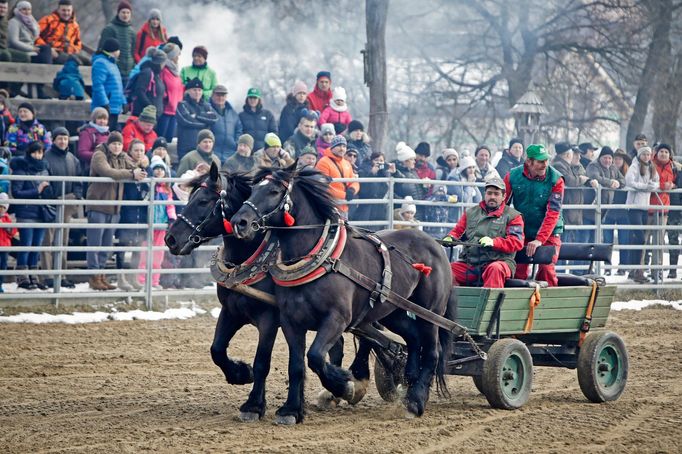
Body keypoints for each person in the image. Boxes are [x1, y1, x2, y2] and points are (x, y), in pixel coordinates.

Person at [86, 131, 146, 290]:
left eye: (119, 144)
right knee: (95, 244)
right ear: (108, 143)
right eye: (114, 144)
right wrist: (132, 173)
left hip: (114, 207)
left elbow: (137, 167)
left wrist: (143, 162)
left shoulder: (122, 157)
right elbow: (108, 172)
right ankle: (94, 276)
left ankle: (102, 275)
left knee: (106, 244)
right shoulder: (99, 155)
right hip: (98, 204)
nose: (117, 147)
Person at [442, 177, 524, 288]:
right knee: (444, 270)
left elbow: (516, 242)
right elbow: (457, 231)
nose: (492, 197)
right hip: (470, 264)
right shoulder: (471, 212)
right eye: (489, 193)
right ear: (484, 194)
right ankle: (450, 304)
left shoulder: (513, 216)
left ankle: (491, 305)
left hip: (500, 262)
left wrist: (494, 242)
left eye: (496, 194)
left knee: (495, 269)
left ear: (504, 196)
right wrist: (450, 237)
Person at [504, 144, 565, 287]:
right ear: (529, 162)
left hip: (549, 233)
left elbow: (553, 213)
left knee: (546, 268)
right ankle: (518, 304)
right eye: (540, 161)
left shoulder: (556, 179)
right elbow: (503, 205)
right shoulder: (512, 176)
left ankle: (550, 304)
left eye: (546, 160)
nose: (545, 165)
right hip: (523, 230)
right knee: (517, 269)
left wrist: (539, 239)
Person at [10, 141, 54, 290]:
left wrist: (47, 190)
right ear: (29, 153)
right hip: (26, 211)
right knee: (26, 245)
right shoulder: (20, 169)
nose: (38, 155)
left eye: (40, 152)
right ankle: (22, 276)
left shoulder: (45, 168)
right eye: (35, 152)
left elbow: (50, 189)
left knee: (36, 246)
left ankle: (34, 275)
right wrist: (38, 191)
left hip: (41, 211)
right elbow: (16, 193)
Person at [41, 127, 81, 288]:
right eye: (59, 138)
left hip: (67, 204)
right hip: (50, 204)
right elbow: (43, 177)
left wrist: (77, 195)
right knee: (48, 241)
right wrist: (49, 195)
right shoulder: (46, 157)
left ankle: (61, 273)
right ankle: (47, 274)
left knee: (63, 241)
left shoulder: (73, 158)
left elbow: (79, 180)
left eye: (65, 138)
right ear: (54, 140)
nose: (63, 141)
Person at [136, 155, 175, 289]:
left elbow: (170, 206)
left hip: (161, 226)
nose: (159, 171)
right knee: (145, 254)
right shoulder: (149, 187)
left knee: (158, 255)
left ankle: (154, 281)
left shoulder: (166, 189)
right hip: (149, 226)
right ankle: (141, 280)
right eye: (156, 169)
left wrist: (172, 219)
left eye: (161, 169)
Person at [116, 138, 148, 292]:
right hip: (126, 211)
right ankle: (120, 277)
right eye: (136, 150)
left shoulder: (145, 169)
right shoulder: (125, 166)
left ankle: (133, 277)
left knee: (137, 246)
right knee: (123, 245)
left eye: (142, 150)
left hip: (140, 213)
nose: (139, 153)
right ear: (130, 151)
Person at [624, 146, 659, 283]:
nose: (646, 156)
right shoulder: (634, 166)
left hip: (645, 206)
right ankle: (636, 269)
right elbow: (629, 181)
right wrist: (645, 187)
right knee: (640, 238)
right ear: (640, 155)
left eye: (648, 154)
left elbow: (657, 181)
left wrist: (652, 186)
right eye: (644, 154)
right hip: (634, 206)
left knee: (638, 239)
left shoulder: (651, 167)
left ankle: (635, 270)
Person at [551, 142, 596, 246]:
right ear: (568, 154)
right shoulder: (559, 165)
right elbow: (568, 180)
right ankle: (561, 262)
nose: (578, 158)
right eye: (574, 154)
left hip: (571, 210)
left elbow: (578, 177)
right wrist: (581, 179)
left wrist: (586, 181)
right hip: (565, 209)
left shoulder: (568, 165)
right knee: (563, 244)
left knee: (568, 243)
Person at [586, 146, 625, 253]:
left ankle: (592, 266)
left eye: (609, 158)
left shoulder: (613, 168)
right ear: (600, 157)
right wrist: (610, 182)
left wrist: (618, 183)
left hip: (604, 209)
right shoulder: (593, 165)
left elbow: (622, 180)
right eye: (605, 158)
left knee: (596, 239)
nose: (607, 160)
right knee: (587, 240)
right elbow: (595, 177)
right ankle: (581, 269)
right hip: (591, 208)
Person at [647, 144, 676, 281]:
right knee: (644, 241)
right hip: (649, 207)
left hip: (664, 208)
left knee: (659, 242)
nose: (663, 154)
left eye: (666, 151)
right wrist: (662, 186)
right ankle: (638, 270)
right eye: (661, 151)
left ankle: (657, 271)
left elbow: (675, 182)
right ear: (656, 153)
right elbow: (646, 183)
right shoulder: (650, 165)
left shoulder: (674, 167)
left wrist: (673, 186)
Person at [315, 135, 359, 219]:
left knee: (344, 230)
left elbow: (354, 181)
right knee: (331, 230)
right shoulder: (323, 162)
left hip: (344, 206)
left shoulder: (347, 163)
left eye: (344, 146)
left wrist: (352, 190)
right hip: (330, 206)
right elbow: (324, 187)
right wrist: (345, 195)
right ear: (332, 147)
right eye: (339, 145)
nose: (342, 148)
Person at [175, 78, 218, 162]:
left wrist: (197, 116)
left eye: (199, 90)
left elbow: (214, 118)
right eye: (194, 90)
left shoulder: (207, 106)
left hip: (204, 149)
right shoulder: (182, 105)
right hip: (186, 148)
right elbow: (187, 121)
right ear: (188, 91)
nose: (197, 92)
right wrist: (206, 123)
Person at [36, 0, 88, 65]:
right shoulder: (48, 20)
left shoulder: (75, 25)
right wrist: (48, 50)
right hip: (53, 52)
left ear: (72, 11)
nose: (66, 13)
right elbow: (35, 35)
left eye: (68, 10)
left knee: (89, 62)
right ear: (58, 10)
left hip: (69, 53)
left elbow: (78, 43)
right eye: (63, 10)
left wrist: (73, 49)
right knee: (77, 63)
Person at [91, 38, 125, 130]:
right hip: (105, 107)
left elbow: (118, 86)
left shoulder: (113, 64)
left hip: (114, 107)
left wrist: (123, 101)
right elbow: (98, 85)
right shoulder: (100, 63)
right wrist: (105, 103)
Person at [98, 1, 135, 85]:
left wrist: (132, 66)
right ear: (118, 13)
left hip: (128, 71)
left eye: (128, 13)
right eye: (123, 12)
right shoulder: (110, 29)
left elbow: (133, 51)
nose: (125, 15)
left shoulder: (132, 31)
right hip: (114, 69)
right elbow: (102, 50)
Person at [353, 151, 396, 224]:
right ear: (371, 161)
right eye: (376, 160)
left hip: (379, 208)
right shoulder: (363, 170)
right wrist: (371, 174)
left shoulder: (384, 173)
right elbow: (364, 191)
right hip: (365, 208)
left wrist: (394, 173)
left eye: (381, 161)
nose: (378, 163)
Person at [8, 1, 52, 65]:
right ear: (18, 10)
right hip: (20, 50)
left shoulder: (31, 22)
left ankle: (47, 69)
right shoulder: (14, 22)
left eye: (29, 9)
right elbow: (14, 41)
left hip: (31, 48)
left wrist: (34, 26)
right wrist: (32, 49)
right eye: (24, 9)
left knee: (46, 48)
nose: (27, 12)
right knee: (44, 53)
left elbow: (35, 36)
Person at [610, 148, 632, 274]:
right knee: (608, 240)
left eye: (620, 158)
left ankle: (623, 266)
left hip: (623, 210)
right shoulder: (609, 172)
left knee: (624, 239)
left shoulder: (628, 173)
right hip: (610, 210)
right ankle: (607, 266)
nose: (617, 160)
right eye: (616, 158)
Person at [156, 42, 182, 141]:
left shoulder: (176, 70)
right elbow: (160, 86)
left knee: (169, 139)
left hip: (174, 110)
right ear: (171, 56)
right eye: (177, 55)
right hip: (165, 110)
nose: (178, 57)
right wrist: (167, 98)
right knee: (161, 139)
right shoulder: (164, 70)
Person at [210, 84, 242, 163]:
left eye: (223, 95)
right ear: (212, 95)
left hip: (230, 155)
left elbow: (239, 129)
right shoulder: (207, 110)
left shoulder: (233, 113)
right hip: (212, 154)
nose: (220, 98)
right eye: (218, 95)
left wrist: (236, 143)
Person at [130, 48, 166, 118]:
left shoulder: (157, 74)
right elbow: (140, 91)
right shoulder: (147, 72)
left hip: (152, 115)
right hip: (144, 114)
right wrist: (150, 107)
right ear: (161, 62)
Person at [239, 87, 277, 152]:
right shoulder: (241, 116)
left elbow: (273, 133)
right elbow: (239, 133)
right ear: (247, 99)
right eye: (250, 98)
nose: (252, 100)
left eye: (255, 98)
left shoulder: (268, 114)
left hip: (263, 151)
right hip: (247, 151)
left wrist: (267, 147)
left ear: (259, 99)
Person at [77, 107, 109, 176]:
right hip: (91, 169)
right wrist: (100, 156)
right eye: (99, 118)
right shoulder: (87, 133)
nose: (102, 121)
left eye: (104, 119)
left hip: (106, 167)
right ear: (94, 119)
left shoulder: (108, 134)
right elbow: (82, 152)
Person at [0, 192, 18, 293]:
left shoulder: (7, 218)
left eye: (3, 207)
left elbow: (13, 232)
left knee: (3, 266)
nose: (1, 209)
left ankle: (0, 284)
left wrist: (6, 226)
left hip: (5, 246)